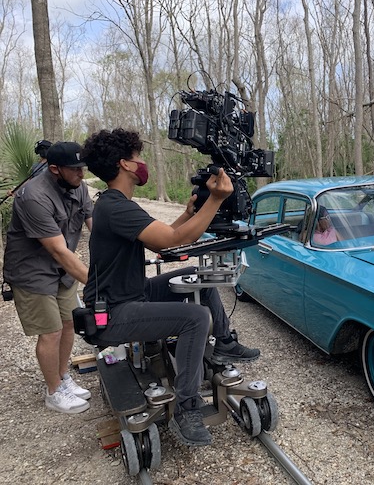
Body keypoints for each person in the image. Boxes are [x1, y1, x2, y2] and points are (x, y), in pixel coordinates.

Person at [79, 128, 259, 446]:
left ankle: (225, 342)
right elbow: (175, 240)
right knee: (195, 318)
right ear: (126, 165)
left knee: (197, 274)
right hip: (114, 314)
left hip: (131, 295)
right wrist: (216, 199)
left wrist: (189, 213)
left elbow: (162, 240)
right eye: (139, 157)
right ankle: (187, 408)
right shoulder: (115, 207)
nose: (143, 162)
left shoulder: (114, 204)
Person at [3, 141, 93, 414]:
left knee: (69, 323)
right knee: (51, 331)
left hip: (62, 270)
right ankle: (53, 392)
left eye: (83, 168)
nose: (81, 173)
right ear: (54, 169)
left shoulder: (80, 186)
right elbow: (57, 250)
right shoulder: (33, 195)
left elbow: (95, 224)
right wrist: (98, 283)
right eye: (75, 169)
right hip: (32, 270)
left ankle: (63, 377)